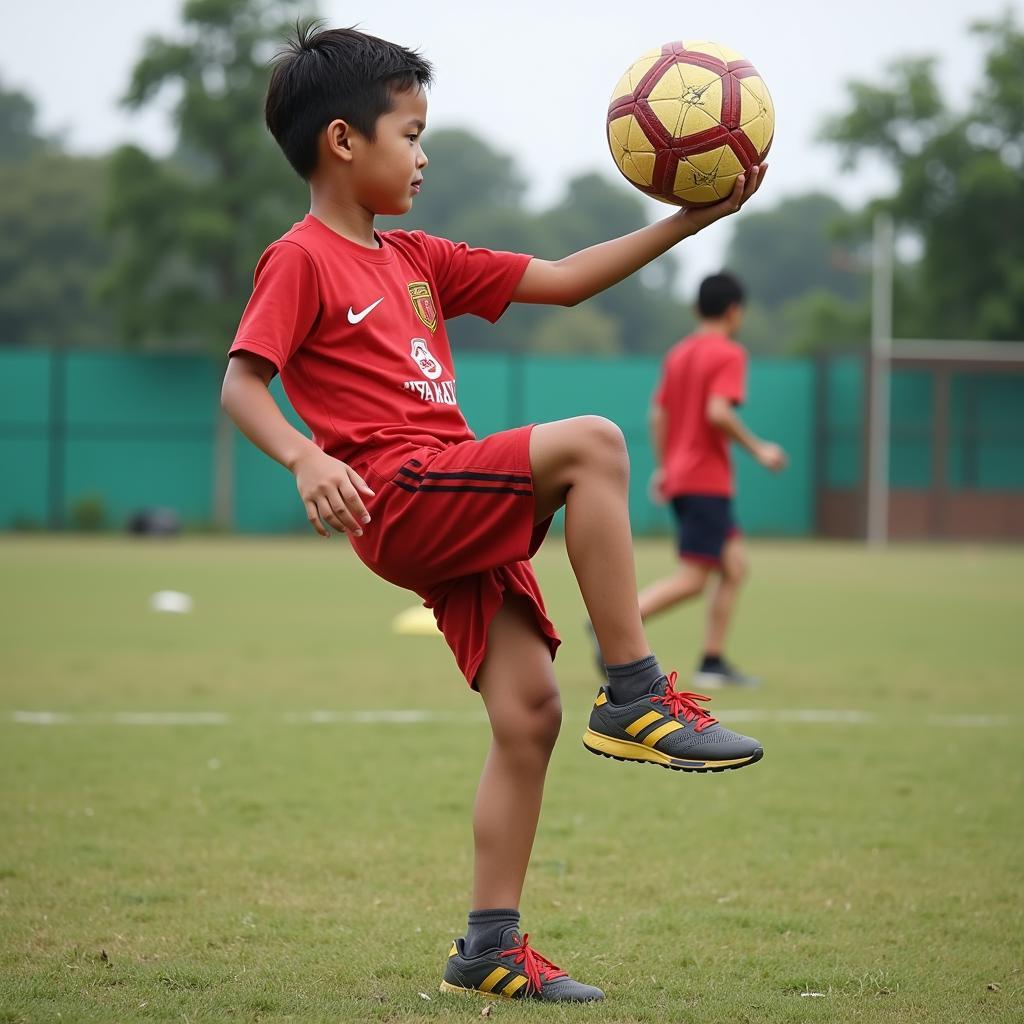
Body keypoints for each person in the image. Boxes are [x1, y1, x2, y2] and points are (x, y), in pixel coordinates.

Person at [221, 25, 767, 1004]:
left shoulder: (417, 258)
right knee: (594, 442)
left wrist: (686, 222)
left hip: (453, 498)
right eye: (412, 134)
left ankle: (488, 945)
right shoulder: (299, 260)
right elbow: (241, 384)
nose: (424, 157)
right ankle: (636, 689)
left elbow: (558, 282)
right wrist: (304, 455)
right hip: (400, 494)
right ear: (344, 142)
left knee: (528, 714)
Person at [641, 272, 788, 688]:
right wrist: (759, 449)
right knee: (692, 579)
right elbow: (718, 412)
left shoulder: (678, 354)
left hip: (684, 478)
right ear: (735, 312)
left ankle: (712, 661)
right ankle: (617, 623)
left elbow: (658, 414)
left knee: (734, 568)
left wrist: (665, 466)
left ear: (695, 309)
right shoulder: (728, 354)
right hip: (706, 480)